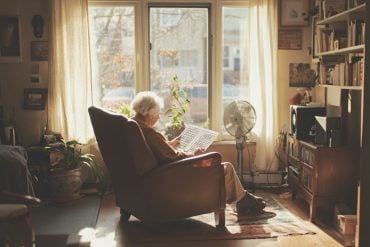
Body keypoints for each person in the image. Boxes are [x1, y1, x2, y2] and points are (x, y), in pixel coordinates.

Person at [130, 91, 266, 215]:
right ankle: (242, 200)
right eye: (158, 114)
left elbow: (158, 151)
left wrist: (170, 144)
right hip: (173, 176)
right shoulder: (150, 133)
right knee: (226, 168)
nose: (158, 118)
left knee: (225, 168)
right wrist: (194, 155)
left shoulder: (136, 126)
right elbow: (173, 157)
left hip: (160, 174)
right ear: (150, 114)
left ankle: (242, 199)